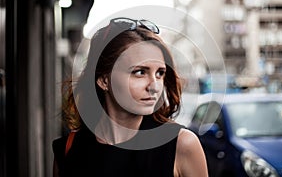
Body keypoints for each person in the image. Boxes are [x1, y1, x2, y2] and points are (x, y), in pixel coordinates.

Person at [52, 17, 208, 177]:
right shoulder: (69, 149)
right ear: (104, 80)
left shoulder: (181, 145)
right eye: (140, 72)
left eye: (160, 73)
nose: (154, 86)